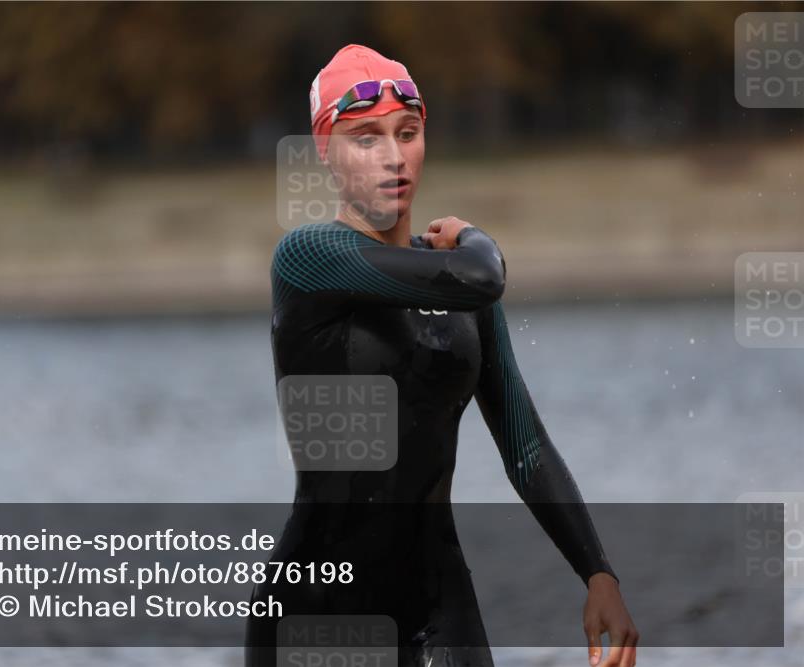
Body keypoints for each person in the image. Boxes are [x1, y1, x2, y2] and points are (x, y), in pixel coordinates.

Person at [246, 44, 639, 667]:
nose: (393, 157)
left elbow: (522, 440)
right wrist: (472, 236)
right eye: (366, 139)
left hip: (439, 602)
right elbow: (486, 272)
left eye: (408, 133)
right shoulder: (308, 259)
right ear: (325, 151)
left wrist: (598, 574)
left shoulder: (453, 284)